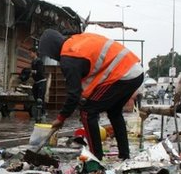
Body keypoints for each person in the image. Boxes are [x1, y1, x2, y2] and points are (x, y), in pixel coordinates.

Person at [38, 29, 144, 161]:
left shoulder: (69, 58)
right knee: (114, 112)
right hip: (135, 72)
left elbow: (73, 95)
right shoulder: (76, 42)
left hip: (122, 75)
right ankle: (124, 155)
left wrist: (61, 118)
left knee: (88, 112)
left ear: (53, 49)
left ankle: (95, 158)